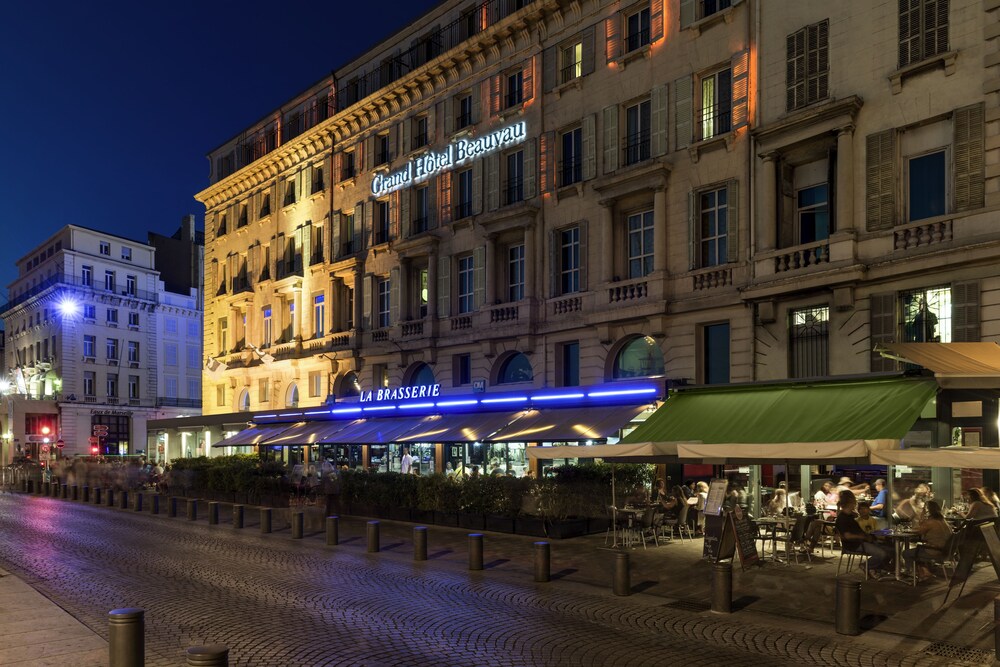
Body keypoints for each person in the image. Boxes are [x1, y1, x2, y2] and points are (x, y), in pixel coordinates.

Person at [836, 491, 892, 575]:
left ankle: (878, 568)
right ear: (851, 502)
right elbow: (847, 536)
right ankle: (866, 566)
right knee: (882, 554)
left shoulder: (850, 516)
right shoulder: (843, 518)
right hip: (855, 545)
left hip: (862, 541)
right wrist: (863, 536)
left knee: (891, 550)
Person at [902, 500, 953, 581]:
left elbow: (919, 530)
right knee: (919, 550)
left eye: (924, 509)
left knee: (906, 553)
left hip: (935, 551)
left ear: (928, 511)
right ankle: (925, 571)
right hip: (945, 551)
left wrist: (921, 515)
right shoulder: (943, 520)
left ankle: (913, 573)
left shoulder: (930, 522)